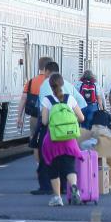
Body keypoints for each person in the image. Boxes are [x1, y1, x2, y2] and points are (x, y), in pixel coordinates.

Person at [41, 73, 85, 206]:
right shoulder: (70, 98)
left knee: (53, 169)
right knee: (70, 167)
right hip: (69, 139)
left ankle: (57, 198)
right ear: (63, 84)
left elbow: (44, 122)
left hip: (53, 140)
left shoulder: (47, 100)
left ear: (50, 86)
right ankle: (74, 188)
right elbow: (82, 118)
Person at [17, 57, 54, 195]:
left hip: (35, 116)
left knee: (36, 141)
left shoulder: (32, 82)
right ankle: (51, 166)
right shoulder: (54, 81)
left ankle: (39, 166)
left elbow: (23, 99)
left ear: (39, 67)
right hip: (52, 116)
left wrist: (19, 116)